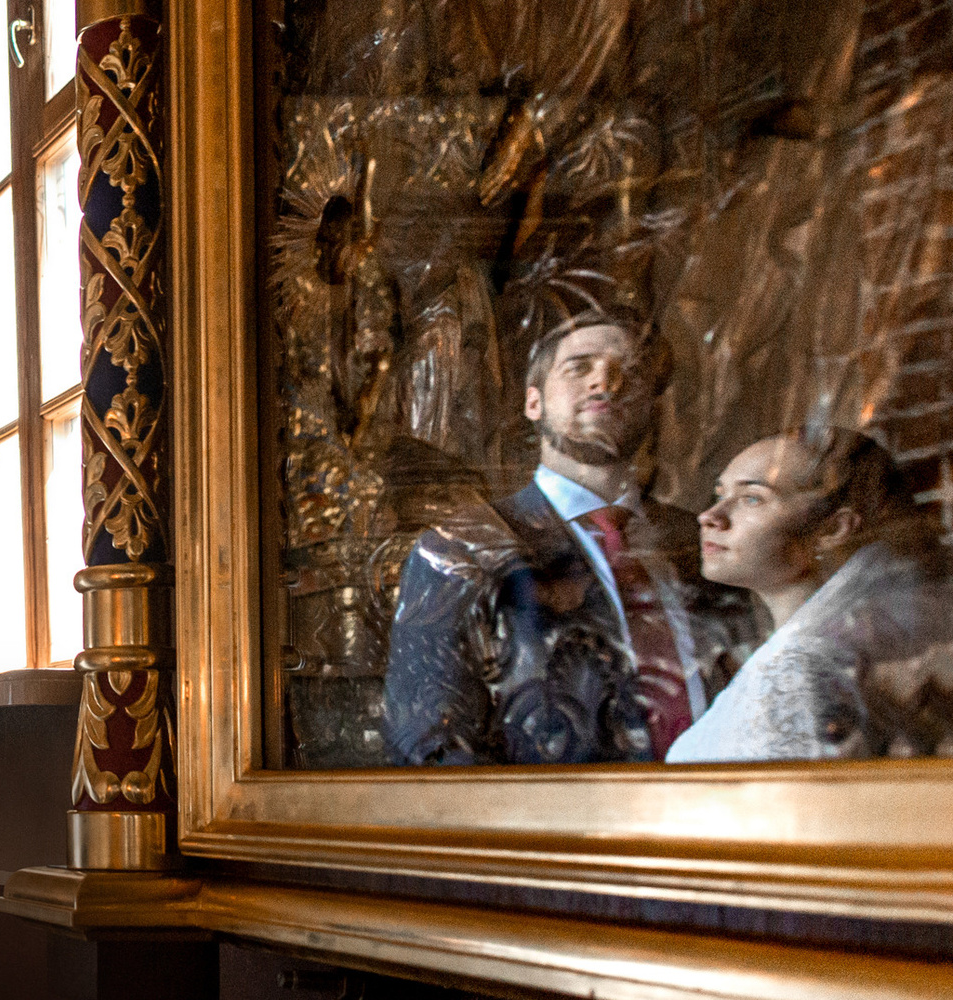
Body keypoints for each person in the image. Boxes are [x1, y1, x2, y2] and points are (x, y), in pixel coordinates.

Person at [384, 315, 737, 764]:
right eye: (579, 367)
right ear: (534, 402)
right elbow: (430, 742)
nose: (605, 383)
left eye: (628, 372)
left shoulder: (700, 539)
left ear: (652, 404)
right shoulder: (461, 548)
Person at [670, 431, 953, 761]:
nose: (710, 516)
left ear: (833, 530)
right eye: (720, 493)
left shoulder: (798, 670)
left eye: (752, 498)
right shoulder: (804, 657)